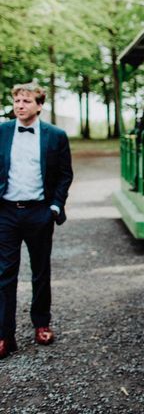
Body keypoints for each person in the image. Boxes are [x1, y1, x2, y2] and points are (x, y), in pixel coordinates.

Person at [0, 83, 73, 359]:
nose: (20, 105)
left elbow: (65, 174)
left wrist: (54, 207)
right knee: (5, 274)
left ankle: (41, 323)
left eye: (26, 101)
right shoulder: (3, 131)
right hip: (6, 212)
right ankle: (4, 335)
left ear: (39, 105)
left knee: (40, 271)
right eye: (17, 100)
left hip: (39, 212)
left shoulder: (56, 136)